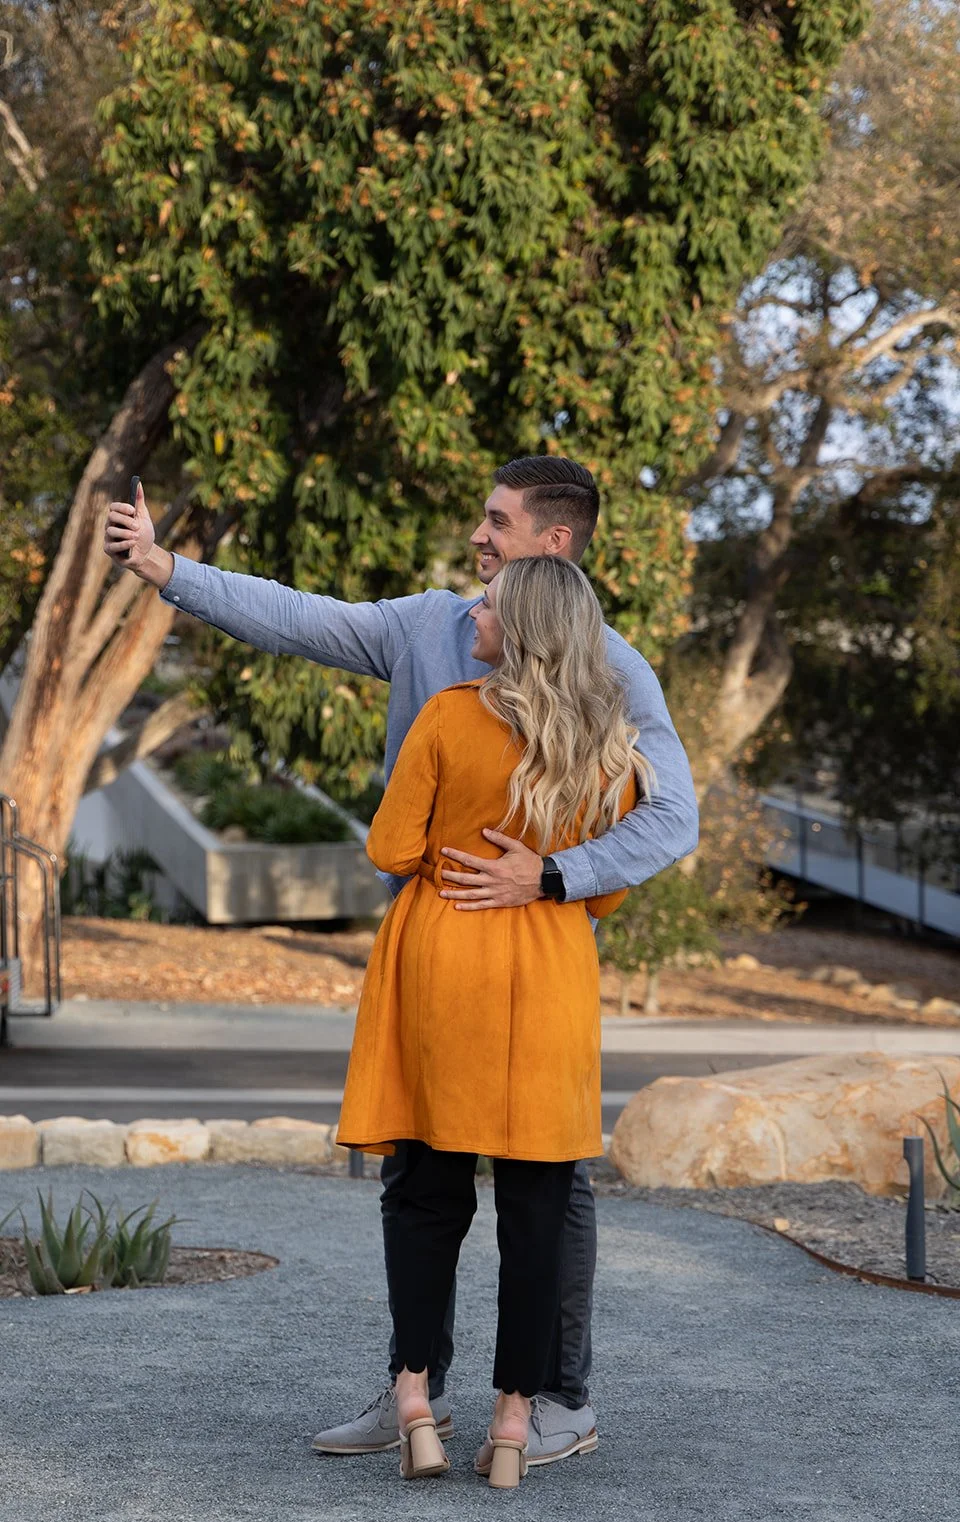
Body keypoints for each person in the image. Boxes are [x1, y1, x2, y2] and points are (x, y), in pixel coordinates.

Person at [103, 455, 698, 1467]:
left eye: (499, 521)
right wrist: (171, 570)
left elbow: (674, 814)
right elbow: (301, 615)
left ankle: (559, 1396)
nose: (480, 534)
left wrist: (550, 876)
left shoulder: (615, 670)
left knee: (544, 1190)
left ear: (553, 544)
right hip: (442, 964)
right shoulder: (429, 624)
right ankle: (417, 1386)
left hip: (530, 957)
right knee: (423, 1172)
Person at [337, 556, 654, 1487]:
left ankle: (412, 1399)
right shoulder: (610, 747)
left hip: (445, 960)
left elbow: (388, 847)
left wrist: (447, 847)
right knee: (537, 1206)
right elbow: (608, 898)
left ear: (518, 628)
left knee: (427, 1193)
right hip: (548, 975)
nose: (472, 611)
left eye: (487, 604)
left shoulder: (448, 716)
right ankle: (514, 1425)